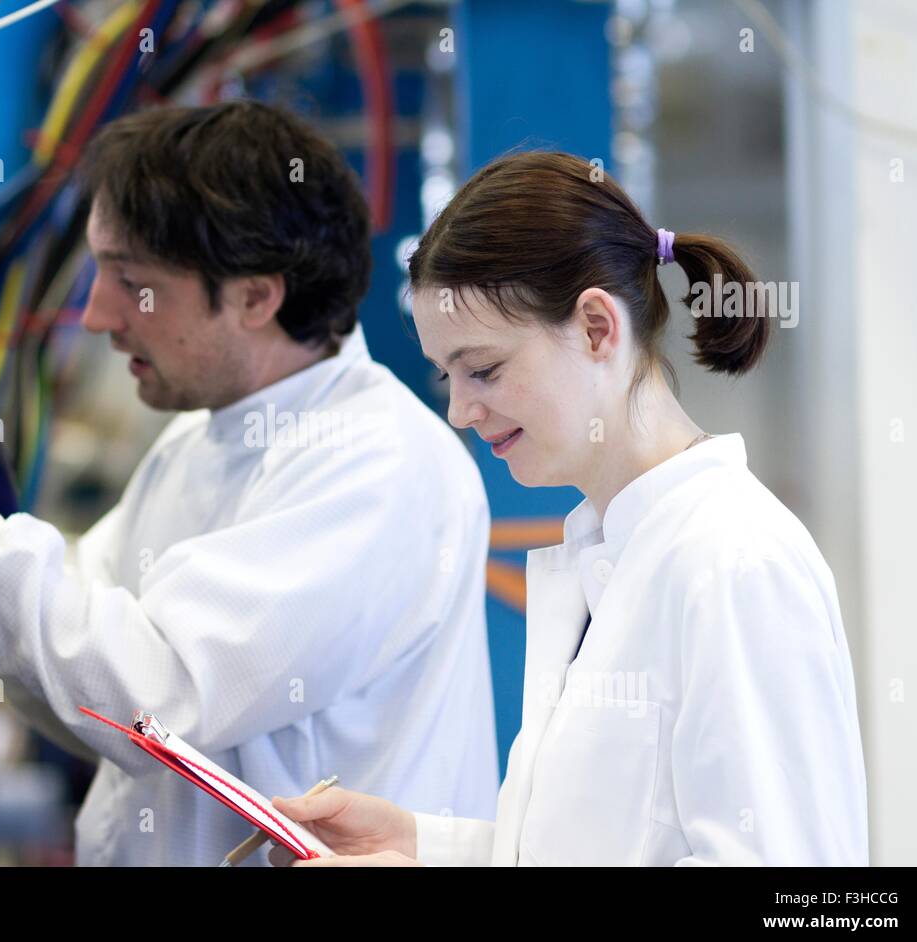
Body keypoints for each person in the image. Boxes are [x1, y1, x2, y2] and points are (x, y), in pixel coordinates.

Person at [0, 101, 499, 866]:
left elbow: (154, 697)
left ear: (258, 297)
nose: (97, 314)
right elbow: (83, 696)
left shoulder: (378, 463)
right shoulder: (195, 442)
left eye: (132, 282)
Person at [270, 151, 868, 866]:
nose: (461, 411)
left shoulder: (733, 560)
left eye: (484, 370)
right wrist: (423, 848)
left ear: (595, 328)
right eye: (446, 377)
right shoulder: (608, 550)